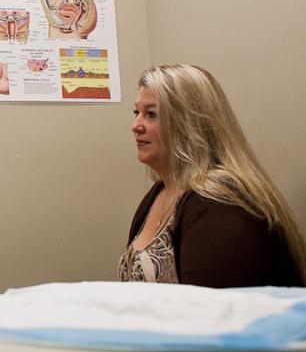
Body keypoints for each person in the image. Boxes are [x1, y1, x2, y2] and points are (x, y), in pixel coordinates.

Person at [119, 64, 306, 288]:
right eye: (136, 112)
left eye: (151, 114)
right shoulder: (160, 192)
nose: (136, 125)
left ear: (188, 125)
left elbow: (210, 314)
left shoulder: (220, 207)